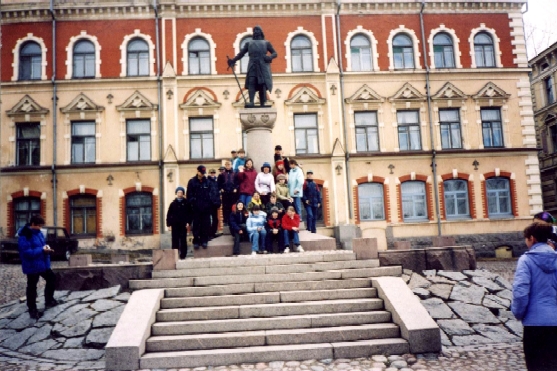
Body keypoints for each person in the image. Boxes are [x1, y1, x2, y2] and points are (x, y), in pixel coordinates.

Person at [512, 222, 557, 371]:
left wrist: (518, 314)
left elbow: (520, 293)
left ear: (532, 238)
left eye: (526, 238)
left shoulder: (526, 260)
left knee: (536, 366)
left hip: (534, 324)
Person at [227, 26, 277, 107]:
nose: (256, 31)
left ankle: (263, 103)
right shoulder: (249, 43)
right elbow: (241, 54)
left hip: (262, 65)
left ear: (261, 32)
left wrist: (269, 57)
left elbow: (275, 53)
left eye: (257, 30)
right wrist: (233, 60)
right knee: (252, 82)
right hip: (252, 64)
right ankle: (251, 102)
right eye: (255, 30)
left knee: (262, 84)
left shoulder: (266, 43)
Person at [18, 215, 57, 319]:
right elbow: (26, 252)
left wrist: (47, 248)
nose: (40, 227)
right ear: (33, 224)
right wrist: (42, 250)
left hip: (42, 263)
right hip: (32, 266)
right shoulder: (25, 235)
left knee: (52, 279)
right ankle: (32, 310)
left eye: (41, 225)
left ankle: (49, 300)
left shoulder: (39, 233)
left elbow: (42, 245)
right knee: (32, 287)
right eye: (39, 225)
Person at [186, 165, 221, 249]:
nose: (202, 174)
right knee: (196, 225)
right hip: (196, 208)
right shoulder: (192, 182)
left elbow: (212, 194)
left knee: (206, 224)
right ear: (197, 172)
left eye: (203, 173)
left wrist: (212, 203)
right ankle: (196, 241)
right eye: (201, 173)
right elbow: (189, 194)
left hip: (206, 207)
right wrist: (193, 201)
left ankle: (204, 240)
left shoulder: (207, 182)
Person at [165, 186, 192, 259]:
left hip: (183, 225)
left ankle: (183, 255)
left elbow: (189, 214)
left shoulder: (186, 203)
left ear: (183, 193)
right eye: (178, 192)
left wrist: (188, 222)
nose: (179, 194)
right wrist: (169, 224)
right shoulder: (173, 204)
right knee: (175, 240)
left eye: (181, 192)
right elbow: (169, 215)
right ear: (176, 193)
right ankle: (175, 255)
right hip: (175, 225)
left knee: (183, 240)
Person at [218, 160, 238, 224]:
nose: (228, 166)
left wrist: (235, 188)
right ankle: (225, 220)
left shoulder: (235, 174)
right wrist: (221, 188)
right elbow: (219, 183)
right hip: (225, 193)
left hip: (232, 193)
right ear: (225, 166)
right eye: (226, 165)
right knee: (225, 206)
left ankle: (232, 219)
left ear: (231, 165)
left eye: (229, 165)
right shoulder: (222, 174)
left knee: (232, 206)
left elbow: (237, 182)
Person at [208, 169, 220, 239]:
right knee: (210, 219)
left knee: (215, 219)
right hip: (210, 204)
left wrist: (218, 202)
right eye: (211, 173)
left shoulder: (216, 182)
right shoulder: (207, 181)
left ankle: (213, 233)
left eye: (213, 173)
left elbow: (217, 193)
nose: (212, 174)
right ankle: (209, 234)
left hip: (215, 203)